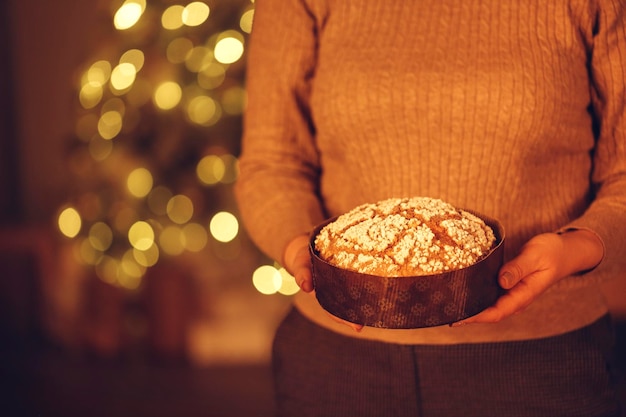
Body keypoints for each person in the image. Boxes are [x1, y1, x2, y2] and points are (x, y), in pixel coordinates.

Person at [235, 1, 626, 416]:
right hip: (338, 364)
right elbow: (271, 163)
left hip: (543, 363)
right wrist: (302, 249)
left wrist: (577, 247)